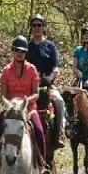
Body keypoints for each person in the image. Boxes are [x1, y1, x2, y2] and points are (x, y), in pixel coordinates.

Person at [0, 35, 49, 174]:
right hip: (11, 110)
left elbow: (36, 93)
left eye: (22, 51)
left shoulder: (32, 70)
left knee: (39, 130)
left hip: (28, 108)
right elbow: (4, 95)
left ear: (26, 53)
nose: (19, 53)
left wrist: (26, 101)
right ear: (13, 51)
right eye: (17, 50)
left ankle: (42, 164)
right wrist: (11, 104)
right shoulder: (6, 71)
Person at [26, 14, 65, 148]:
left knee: (59, 102)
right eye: (34, 25)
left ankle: (58, 137)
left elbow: (56, 69)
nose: (36, 28)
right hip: (29, 86)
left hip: (47, 85)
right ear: (31, 27)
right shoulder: (26, 47)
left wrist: (49, 78)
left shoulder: (50, 46)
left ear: (43, 27)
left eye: (39, 25)